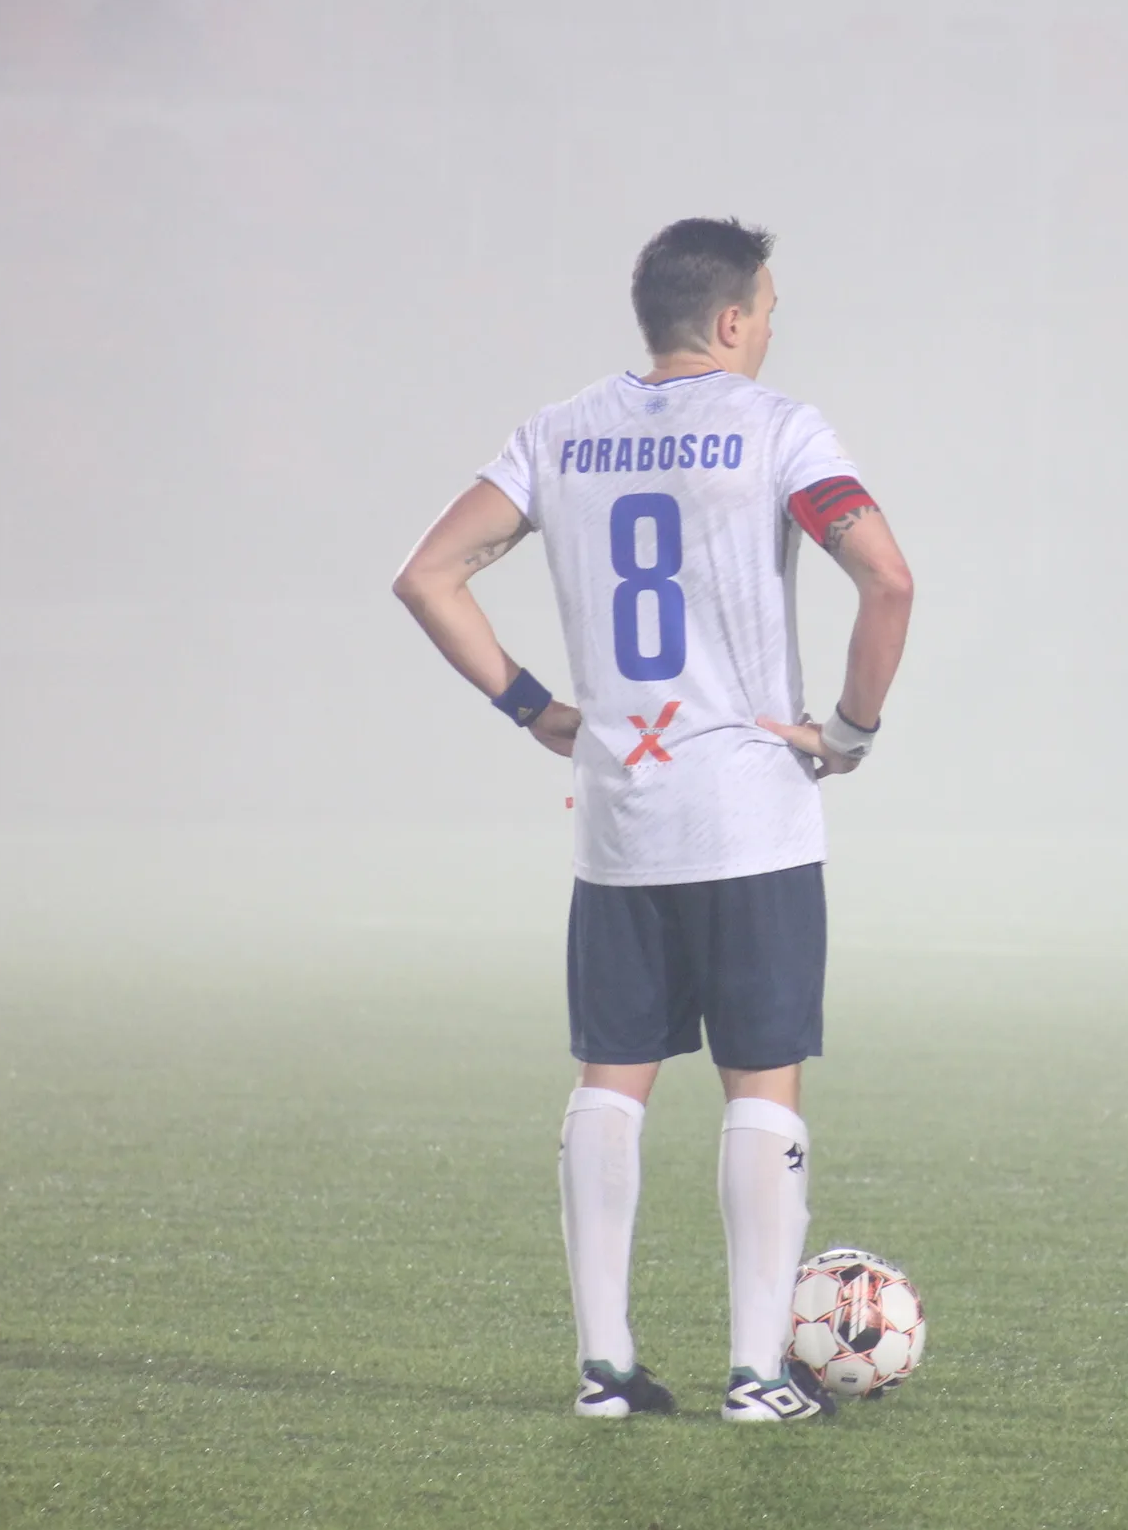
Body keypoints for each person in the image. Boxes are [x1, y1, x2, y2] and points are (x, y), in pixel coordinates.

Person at [391, 218, 913, 1422]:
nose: (773, 330)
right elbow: (886, 575)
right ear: (730, 320)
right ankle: (754, 1372)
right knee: (759, 1085)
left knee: (610, 1083)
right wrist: (848, 731)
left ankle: (604, 1368)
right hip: (747, 815)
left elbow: (426, 572)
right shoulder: (780, 428)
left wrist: (531, 706)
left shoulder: (557, 431)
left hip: (621, 817)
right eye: (770, 309)